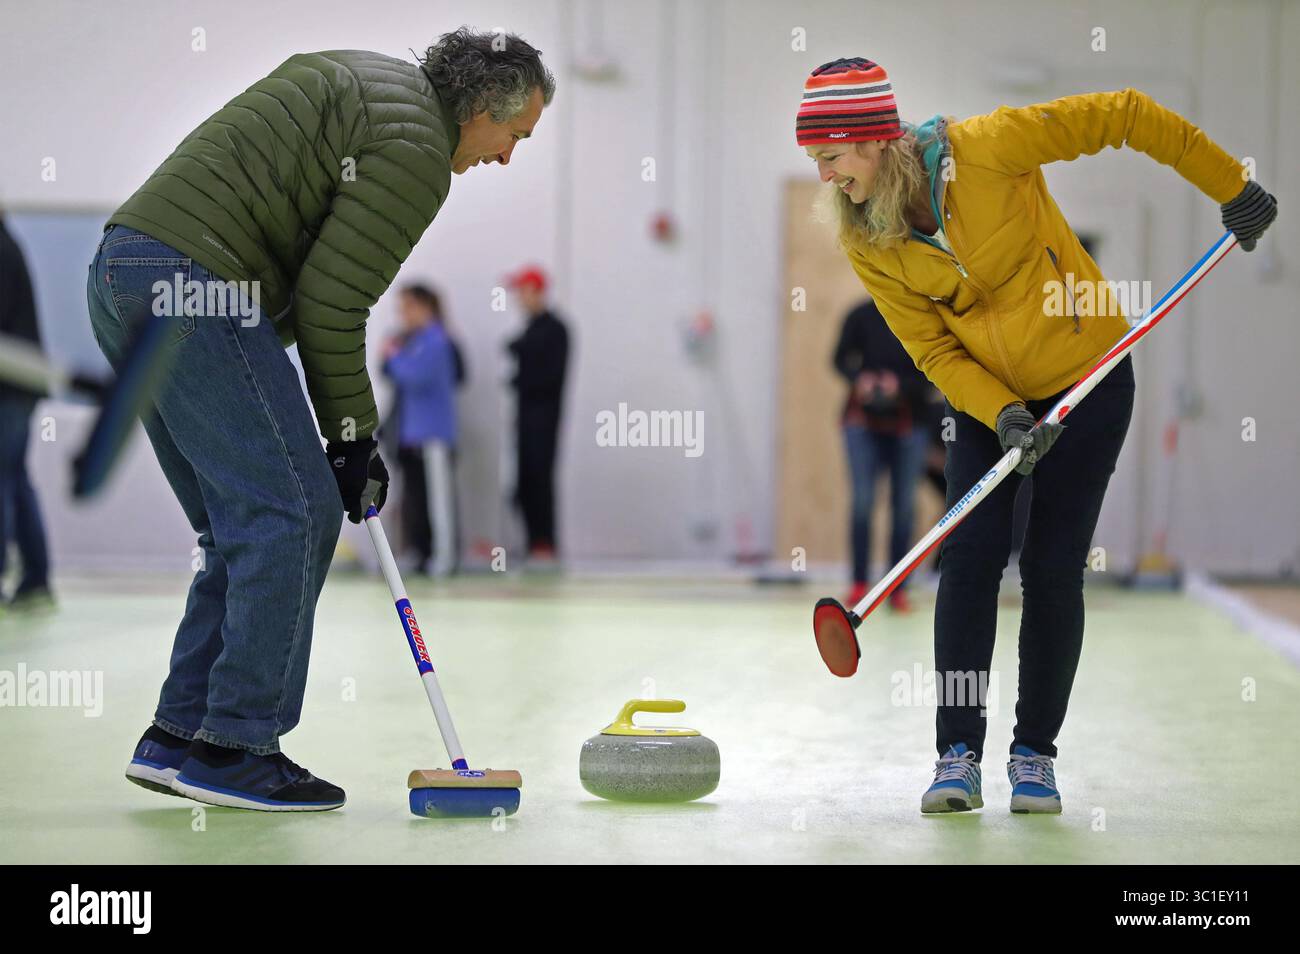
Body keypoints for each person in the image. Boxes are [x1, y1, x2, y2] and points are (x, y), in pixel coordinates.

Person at [797, 58, 1276, 814]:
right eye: (816, 161)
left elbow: (1126, 113)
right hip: (991, 404)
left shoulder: (989, 148)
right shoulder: (867, 238)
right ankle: (957, 755)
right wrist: (1001, 412)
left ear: (876, 139)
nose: (824, 176)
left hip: (1089, 378)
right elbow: (933, 350)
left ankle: (1034, 757)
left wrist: (1231, 187)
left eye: (830, 156)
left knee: (1053, 568)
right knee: (968, 560)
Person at [92, 29, 554, 812]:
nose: (507, 156)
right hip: (196, 281)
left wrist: (342, 435)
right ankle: (235, 749)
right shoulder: (417, 147)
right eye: (515, 135)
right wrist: (352, 440)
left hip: (124, 273)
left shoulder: (371, 83)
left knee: (239, 524)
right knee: (295, 512)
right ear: (481, 107)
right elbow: (332, 305)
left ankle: (179, 736)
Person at [833, 296, 935, 612]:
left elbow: (936, 372)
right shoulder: (860, 314)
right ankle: (859, 583)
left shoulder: (921, 313)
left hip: (910, 424)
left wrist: (899, 386)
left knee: (904, 507)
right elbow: (838, 359)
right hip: (862, 424)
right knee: (862, 502)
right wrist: (860, 380)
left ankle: (897, 588)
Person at [383, 284, 461, 577]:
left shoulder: (436, 340)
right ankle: (421, 553)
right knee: (416, 499)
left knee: (439, 501)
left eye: (408, 307)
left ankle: (444, 557)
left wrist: (392, 356)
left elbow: (415, 376)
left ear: (425, 307)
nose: (403, 315)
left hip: (433, 435)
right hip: (412, 435)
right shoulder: (414, 341)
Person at [0, 212, 53, 612]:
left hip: (10, 388)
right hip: (21, 387)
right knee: (15, 480)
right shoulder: (9, 244)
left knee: (5, 480)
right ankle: (36, 579)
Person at [504, 265, 569, 562]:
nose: (519, 298)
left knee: (539, 477)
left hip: (543, 421)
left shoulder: (554, 329)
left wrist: (520, 357)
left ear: (537, 291)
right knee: (524, 481)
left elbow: (547, 377)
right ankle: (532, 543)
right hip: (525, 419)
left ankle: (544, 543)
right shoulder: (530, 329)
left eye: (523, 291)